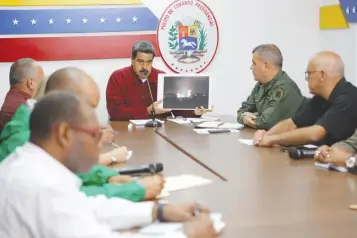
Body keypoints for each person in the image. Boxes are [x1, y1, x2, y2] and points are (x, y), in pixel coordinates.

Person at [0, 91, 217, 238]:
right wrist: (186, 235)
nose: (100, 144)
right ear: (64, 133)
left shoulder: (32, 164)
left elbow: (86, 207)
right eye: (95, 134)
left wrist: (158, 211)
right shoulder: (40, 185)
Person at [0, 67, 164, 202]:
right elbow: (71, 199)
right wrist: (135, 190)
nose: (91, 117)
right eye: (89, 108)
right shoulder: (26, 140)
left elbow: (68, 170)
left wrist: (107, 177)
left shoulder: (40, 120)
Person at [253, 51, 357, 147]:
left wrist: (272, 139)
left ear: (322, 75)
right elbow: (292, 123)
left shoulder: (349, 98)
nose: (307, 79)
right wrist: (265, 135)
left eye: (309, 73)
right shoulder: (321, 97)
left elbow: (316, 133)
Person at [106, 40, 210, 121]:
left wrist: (195, 113)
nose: (144, 66)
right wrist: (147, 111)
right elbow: (115, 112)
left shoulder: (161, 77)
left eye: (149, 62)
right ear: (132, 60)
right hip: (130, 133)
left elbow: (177, 109)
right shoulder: (118, 78)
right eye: (140, 61)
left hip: (161, 132)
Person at [237, 44, 305, 130]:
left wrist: (249, 119)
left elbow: (266, 122)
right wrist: (243, 118)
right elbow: (242, 110)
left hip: (287, 141)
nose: (251, 67)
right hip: (269, 137)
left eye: (254, 63)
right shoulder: (260, 85)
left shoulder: (284, 87)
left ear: (265, 65)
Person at [0, 58, 44, 133]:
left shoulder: (12, 99)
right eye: (42, 82)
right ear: (31, 83)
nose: (43, 86)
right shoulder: (23, 108)